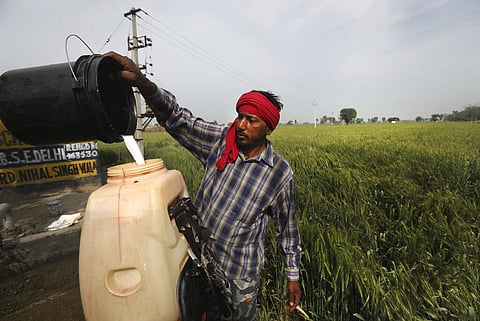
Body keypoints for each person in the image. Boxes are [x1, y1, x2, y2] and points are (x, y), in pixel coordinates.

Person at [106, 51, 302, 321]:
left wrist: (293, 277)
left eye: (251, 120)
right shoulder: (221, 142)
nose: (241, 125)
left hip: (239, 275)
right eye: (240, 116)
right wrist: (143, 83)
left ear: (269, 128)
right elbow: (178, 119)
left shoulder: (278, 173)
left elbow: (287, 231)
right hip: (199, 262)